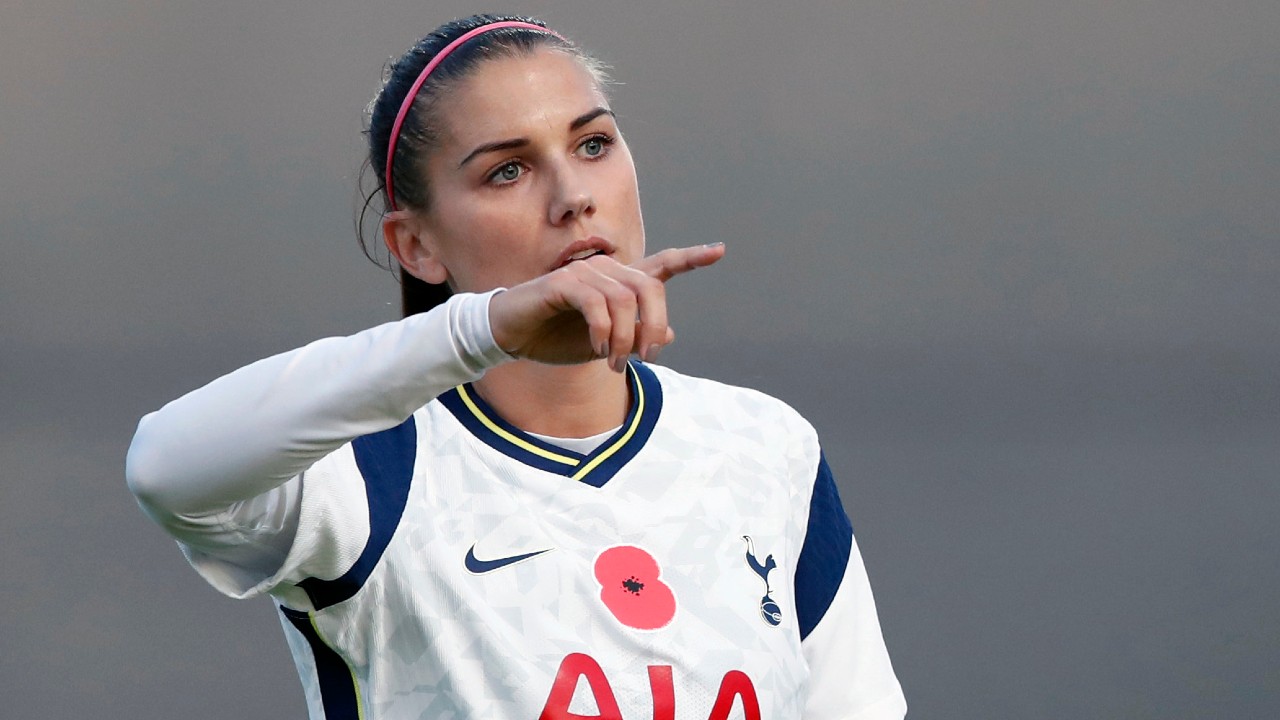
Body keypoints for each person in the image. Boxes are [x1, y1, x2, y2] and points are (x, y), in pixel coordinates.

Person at [126, 14, 907, 720]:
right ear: (416, 247)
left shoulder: (764, 446)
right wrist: (487, 325)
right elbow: (166, 468)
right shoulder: (367, 468)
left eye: (593, 145)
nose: (573, 196)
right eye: (508, 170)